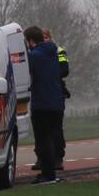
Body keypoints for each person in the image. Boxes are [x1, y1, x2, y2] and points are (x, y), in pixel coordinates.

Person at [25, 25, 63, 184]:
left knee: (43, 140)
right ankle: (51, 171)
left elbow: (28, 75)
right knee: (52, 137)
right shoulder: (52, 52)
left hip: (42, 103)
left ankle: (47, 175)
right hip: (56, 101)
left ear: (31, 41)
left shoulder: (34, 56)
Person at [32, 28, 69, 171]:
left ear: (50, 37)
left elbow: (65, 70)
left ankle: (58, 158)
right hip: (41, 93)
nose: (44, 40)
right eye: (42, 37)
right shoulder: (35, 53)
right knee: (40, 131)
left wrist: (49, 75)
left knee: (55, 129)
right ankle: (41, 158)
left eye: (46, 37)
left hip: (55, 92)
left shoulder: (59, 51)